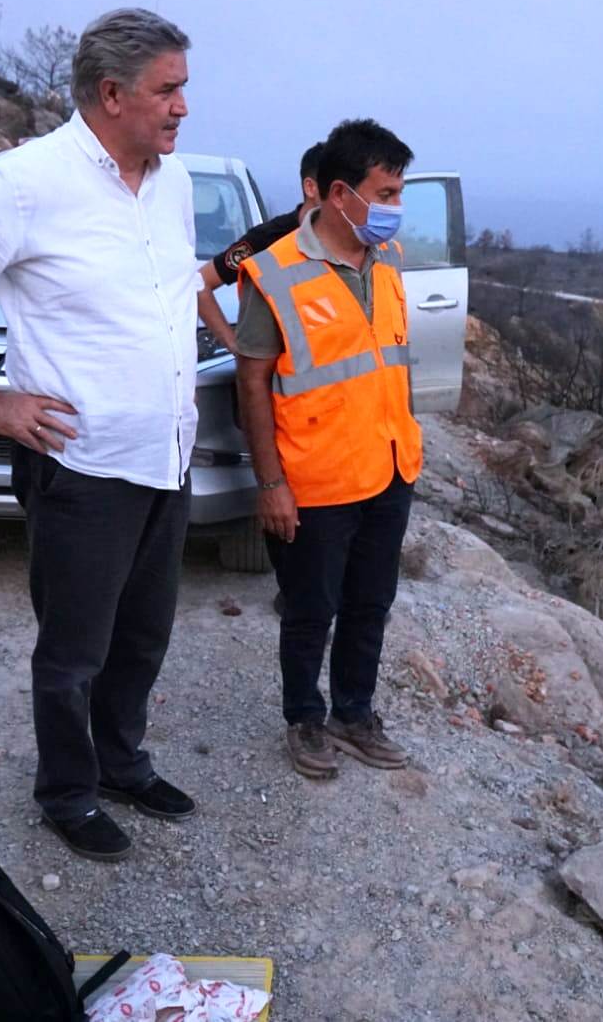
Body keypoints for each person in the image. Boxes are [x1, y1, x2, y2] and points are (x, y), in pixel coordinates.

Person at [0, 8, 200, 862]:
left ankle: (122, 763)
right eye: (168, 90)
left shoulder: (173, 182)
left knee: (143, 635)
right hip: (82, 465)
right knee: (74, 650)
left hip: (165, 456)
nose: (182, 107)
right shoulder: (25, 183)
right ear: (111, 93)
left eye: (183, 89)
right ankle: (67, 790)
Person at [233, 118, 421, 780]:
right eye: (386, 193)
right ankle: (304, 719)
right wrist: (270, 484)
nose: (396, 207)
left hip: (389, 466)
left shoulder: (388, 260)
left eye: (400, 193)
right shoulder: (273, 272)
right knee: (311, 610)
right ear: (341, 194)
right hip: (315, 479)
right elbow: (251, 381)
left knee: (371, 603)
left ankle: (353, 713)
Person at [194, 141, 324, 353]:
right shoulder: (268, 238)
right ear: (311, 188)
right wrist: (235, 346)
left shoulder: (353, 240)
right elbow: (200, 284)